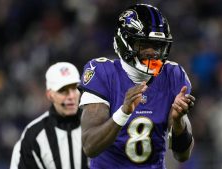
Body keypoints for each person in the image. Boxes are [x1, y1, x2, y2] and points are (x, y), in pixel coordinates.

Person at [79, 4, 195, 169]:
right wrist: (123, 112)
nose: (152, 52)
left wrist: (178, 121)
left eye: (157, 45)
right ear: (125, 41)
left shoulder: (173, 75)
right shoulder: (103, 73)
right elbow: (90, 146)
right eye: (144, 44)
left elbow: (182, 155)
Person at [10, 62, 88, 169]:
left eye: (74, 88)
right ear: (50, 95)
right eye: (63, 90)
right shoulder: (33, 135)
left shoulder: (95, 125)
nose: (71, 96)